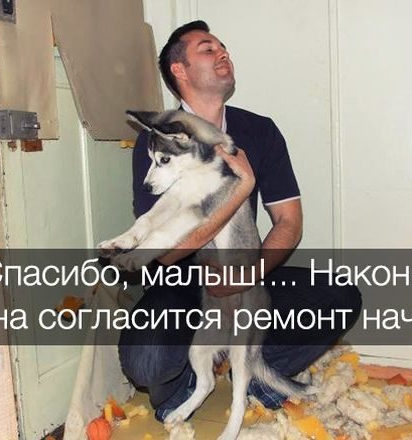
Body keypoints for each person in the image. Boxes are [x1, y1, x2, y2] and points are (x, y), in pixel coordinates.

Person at [118, 20, 362, 422]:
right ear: (179, 70)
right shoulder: (157, 140)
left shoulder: (259, 130)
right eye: (207, 48)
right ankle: (188, 381)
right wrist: (240, 188)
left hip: (245, 274)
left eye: (222, 47)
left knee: (340, 296)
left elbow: (289, 221)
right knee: (144, 360)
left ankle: (254, 374)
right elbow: (164, 252)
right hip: (182, 283)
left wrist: (249, 274)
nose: (222, 53)